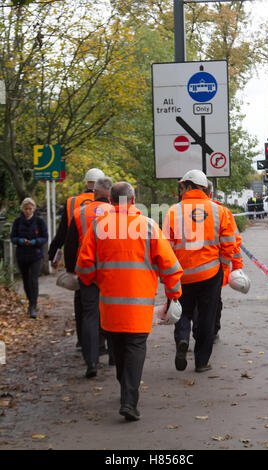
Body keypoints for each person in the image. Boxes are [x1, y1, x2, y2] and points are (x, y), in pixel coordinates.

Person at [75, 182, 183, 421]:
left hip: (110, 306)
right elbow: (171, 266)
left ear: (111, 201)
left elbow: (83, 268)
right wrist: (173, 295)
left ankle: (126, 393)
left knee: (118, 348)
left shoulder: (98, 227)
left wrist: (95, 279)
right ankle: (129, 400)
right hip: (139, 306)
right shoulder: (148, 227)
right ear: (133, 201)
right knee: (135, 347)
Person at [163, 169, 235, 373]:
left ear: (188, 187)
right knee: (206, 316)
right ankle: (202, 362)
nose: (180, 189)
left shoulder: (173, 211)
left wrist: (168, 272)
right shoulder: (218, 211)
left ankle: (183, 339)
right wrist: (223, 263)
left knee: (182, 311)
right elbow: (229, 242)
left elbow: (165, 245)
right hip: (210, 273)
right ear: (204, 188)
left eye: (182, 186)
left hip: (182, 273)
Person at [48, 167, 105, 347]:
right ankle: (102, 342)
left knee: (82, 303)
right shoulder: (109, 202)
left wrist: (53, 253)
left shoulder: (72, 202)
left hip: (81, 261)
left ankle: (83, 341)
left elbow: (64, 234)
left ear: (86, 182)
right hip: (105, 261)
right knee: (103, 303)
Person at [64, 176, 114, 378]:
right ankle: (113, 356)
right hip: (112, 271)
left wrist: (71, 270)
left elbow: (70, 245)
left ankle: (91, 361)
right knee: (111, 313)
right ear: (111, 195)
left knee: (90, 315)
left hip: (87, 271)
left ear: (94, 193)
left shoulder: (80, 213)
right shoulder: (117, 213)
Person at [204, 180, 244, 341]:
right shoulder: (222, 211)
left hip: (188, 269)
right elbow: (234, 241)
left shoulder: (180, 211)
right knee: (214, 301)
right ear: (211, 193)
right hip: (217, 267)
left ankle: (193, 332)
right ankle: (213, 331)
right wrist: (236, 266)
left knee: (192, 304)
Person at [10, 197, 48, 318]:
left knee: (33, 279)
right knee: (26, 280)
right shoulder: (17, 222)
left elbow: (45, 238)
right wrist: (20, 241)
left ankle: (33, 306)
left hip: (36, 254)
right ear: (22, 209)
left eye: (30, 209)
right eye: (26, 209)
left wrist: (34, 242)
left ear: (33, 209)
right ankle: (30, 301)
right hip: (22, 254)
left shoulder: (39, 221)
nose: (28, 211)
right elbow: (13, 237)